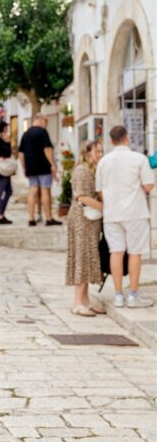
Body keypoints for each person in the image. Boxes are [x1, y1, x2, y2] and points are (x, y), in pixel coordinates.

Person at [96, 125, 154, 308]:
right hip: (135, 212)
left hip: (112, 214)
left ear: (111, 141)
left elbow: (100, 191)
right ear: (127, 139)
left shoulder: (104, 161)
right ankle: (133, 295)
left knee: (116, 252)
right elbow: (148, 186)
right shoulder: (140, 159)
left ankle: (119, 295)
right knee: (135, 252)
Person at [66, 141, 105, 316]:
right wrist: (103, 206)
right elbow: (81, 197)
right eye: (97, 151)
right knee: (82, 256)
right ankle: (77, 302)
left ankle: (86, 300)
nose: (100, 154)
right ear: (88, 152)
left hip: (90, 220)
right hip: (82, 219)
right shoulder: (82, 171)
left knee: (89, 256)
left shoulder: (91, 169)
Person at [18, 114, 61, 227]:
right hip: (43, 167)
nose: (45, 124)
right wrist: (53, 165)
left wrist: (24, 168)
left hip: (31, 168)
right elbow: (47, 149)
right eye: (45, 121)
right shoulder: (42, 132)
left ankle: (31, 219)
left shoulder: (25, 134)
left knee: (32, 192)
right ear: (41, 120)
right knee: (45, 191)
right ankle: (48, 218)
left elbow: (21, 154)